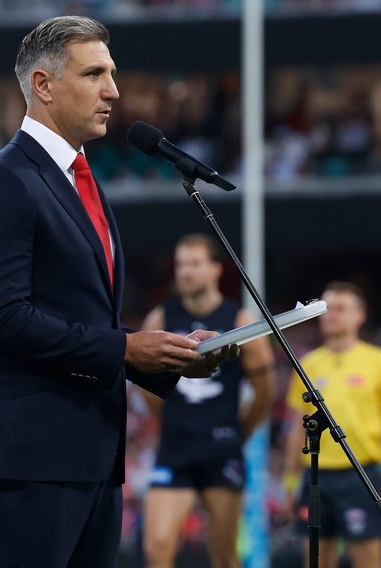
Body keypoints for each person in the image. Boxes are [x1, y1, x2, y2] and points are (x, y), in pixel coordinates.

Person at [0, 15, 236, 568]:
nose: (114, 90)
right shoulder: (3, 182)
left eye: (112, 73)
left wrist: (167, 358)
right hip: (28, 460)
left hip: (90, 456)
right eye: (94, 74)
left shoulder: (80, 179)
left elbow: (80, 318)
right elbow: (3, 322)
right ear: (43, 85)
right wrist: (127, 349)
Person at [139, 233, 275, 568]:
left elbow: (266, 391)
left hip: (222, 449)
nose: (186, 272)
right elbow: (147, 386)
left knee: (225, 555)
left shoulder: (240, 321)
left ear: (215, 269)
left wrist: (238, 433)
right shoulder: (160, 319)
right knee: (157, 547)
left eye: (195, 263)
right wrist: (169, 421)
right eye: (181, 264)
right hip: (175, 448)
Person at [283, 281, 381, 568]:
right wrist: (290, 484)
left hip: (360, 475)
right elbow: (297, 430)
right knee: (314, 559)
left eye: (341, 308)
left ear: (359, 316)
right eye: (327, 309)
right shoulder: (307, 363)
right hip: (315, 475)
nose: (332, 315)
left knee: (367, 558)